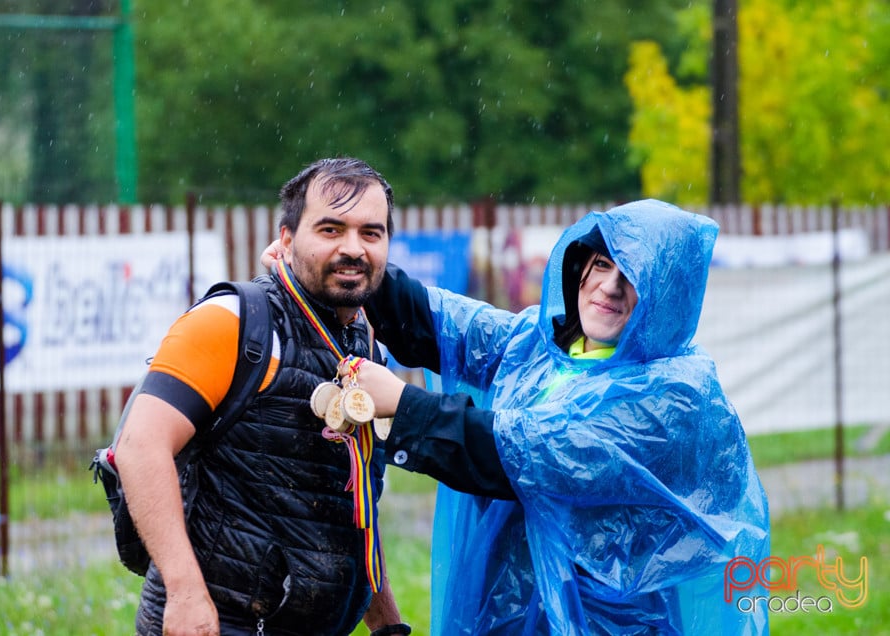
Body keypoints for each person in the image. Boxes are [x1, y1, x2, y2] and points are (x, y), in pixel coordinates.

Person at [312, 199, 770, 634]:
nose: (609, 286)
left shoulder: (675, 397)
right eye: (603, 264)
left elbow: (529, 452)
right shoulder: (545, 348)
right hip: (501, 616)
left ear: (669, 298)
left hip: (604, 625)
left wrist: (406, 404)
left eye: (633, 278)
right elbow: (445, 322)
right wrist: (340, 265)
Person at [115, 157, 411, 636]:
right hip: (217, 624)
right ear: (288, 240)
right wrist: (185, 592)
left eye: (371, 233)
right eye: (331, 229)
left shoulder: (365, 344)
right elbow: (140, 447)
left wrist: (385, 623)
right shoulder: (232, 322)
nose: (353, 248)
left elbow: (354, 507)